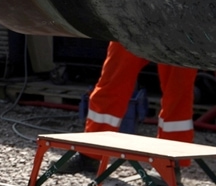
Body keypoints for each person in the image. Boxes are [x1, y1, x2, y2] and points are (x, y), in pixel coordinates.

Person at [64, 41, 198, 173]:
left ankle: (170, 164)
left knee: (177, 92)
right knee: (111, 83)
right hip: (135, 29)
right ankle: (90, 155)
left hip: (180, 32)